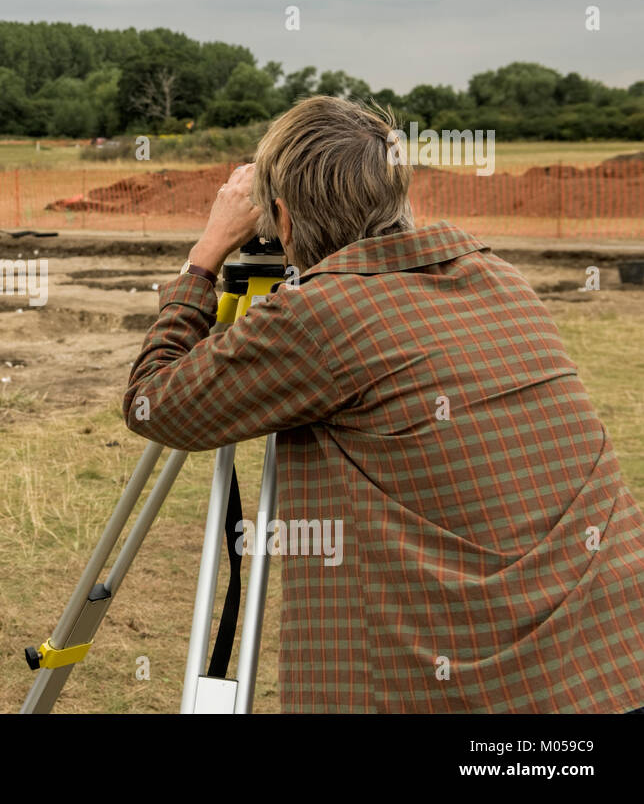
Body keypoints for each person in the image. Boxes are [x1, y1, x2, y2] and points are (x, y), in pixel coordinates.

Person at [124, 95, 644, 714]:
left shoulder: (319, 315)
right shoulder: (499, 276)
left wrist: (205, 256)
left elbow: (152, 401)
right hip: (617, 656)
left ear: (281, 219)